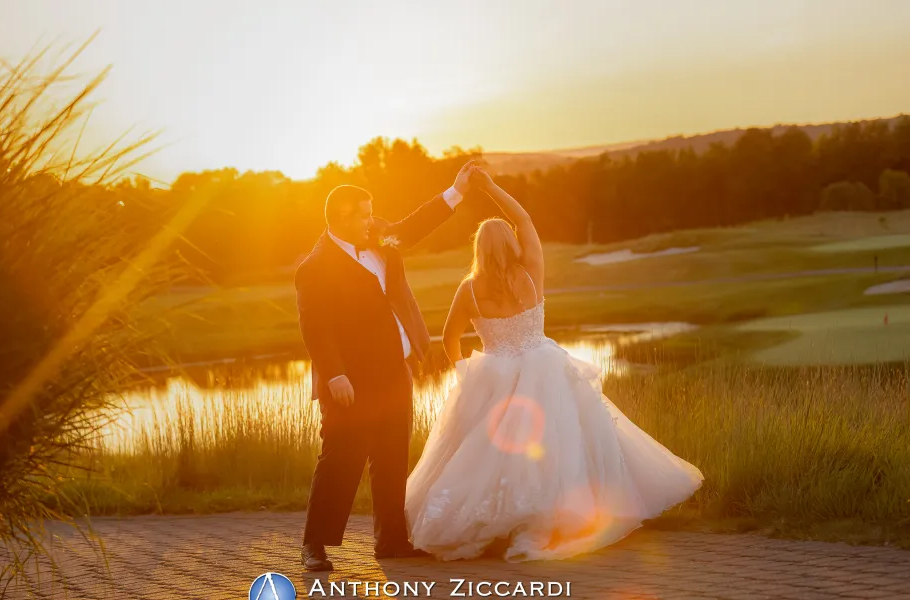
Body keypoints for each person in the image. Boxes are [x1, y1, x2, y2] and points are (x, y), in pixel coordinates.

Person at [405, 166, 704, 562]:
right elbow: (525, 219)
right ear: (510, 242)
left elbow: (450, 339)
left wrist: (466, 373)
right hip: (542, 368)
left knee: (489, 455)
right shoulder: (529, 271)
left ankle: (499, 523)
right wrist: (491, 187)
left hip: (492, 374)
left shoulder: (468, 290)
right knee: (557, 446)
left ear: (477, 250)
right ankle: (543, 522)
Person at [294, 161, 477, 571]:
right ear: (341, 218)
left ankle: (392, 541)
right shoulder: (315, 267)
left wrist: (456, 190)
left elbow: (413, 227)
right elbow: (315, 328)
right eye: (362, 212)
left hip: (395, 368)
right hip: (350, 380)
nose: (372, 219)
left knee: (392, 456)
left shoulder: (379, 238)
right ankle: (314, 545)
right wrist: (336, 374)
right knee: (341, 458)